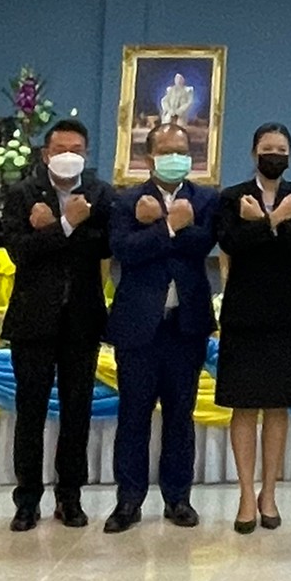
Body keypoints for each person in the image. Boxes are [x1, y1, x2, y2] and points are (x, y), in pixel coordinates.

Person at [0, 117, 114, 532]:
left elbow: (104, 244)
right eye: (60, 149)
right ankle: (27, 499)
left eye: (76, 150)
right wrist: (67, 225)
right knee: (30, 411)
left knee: (76, 411)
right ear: (46, 154)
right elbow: (19, 252)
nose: (68, 156)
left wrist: (56, 228)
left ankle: (70, 496)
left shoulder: (100, 194)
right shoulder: (23, 194)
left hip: (82, 319)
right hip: (33, 320)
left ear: (86, 154)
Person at [107, 122, 218, 531]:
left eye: (182, 151)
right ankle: (128, 500)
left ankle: (178, 498)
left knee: (180, 416)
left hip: (185, 326)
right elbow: (125, 250)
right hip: (139, 327)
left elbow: (202, 244)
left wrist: (161, 226)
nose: (175, 158)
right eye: (167, 151)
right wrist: (171, 227)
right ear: (149, 157)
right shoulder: (126, 200)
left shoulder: (206, 198)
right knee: (133, 415)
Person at [214, 123, 291, 530]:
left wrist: (262, 223)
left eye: (281, 148)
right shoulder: (233, 197)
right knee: (243, 406)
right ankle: (246, 494)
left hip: (285, 315)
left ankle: (269, 492)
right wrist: (275, 220)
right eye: (267, 148)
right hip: (244, 315)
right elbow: (231, 243)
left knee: (277, 406)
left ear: (290, 155)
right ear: (253, 152)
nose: (274, 154)